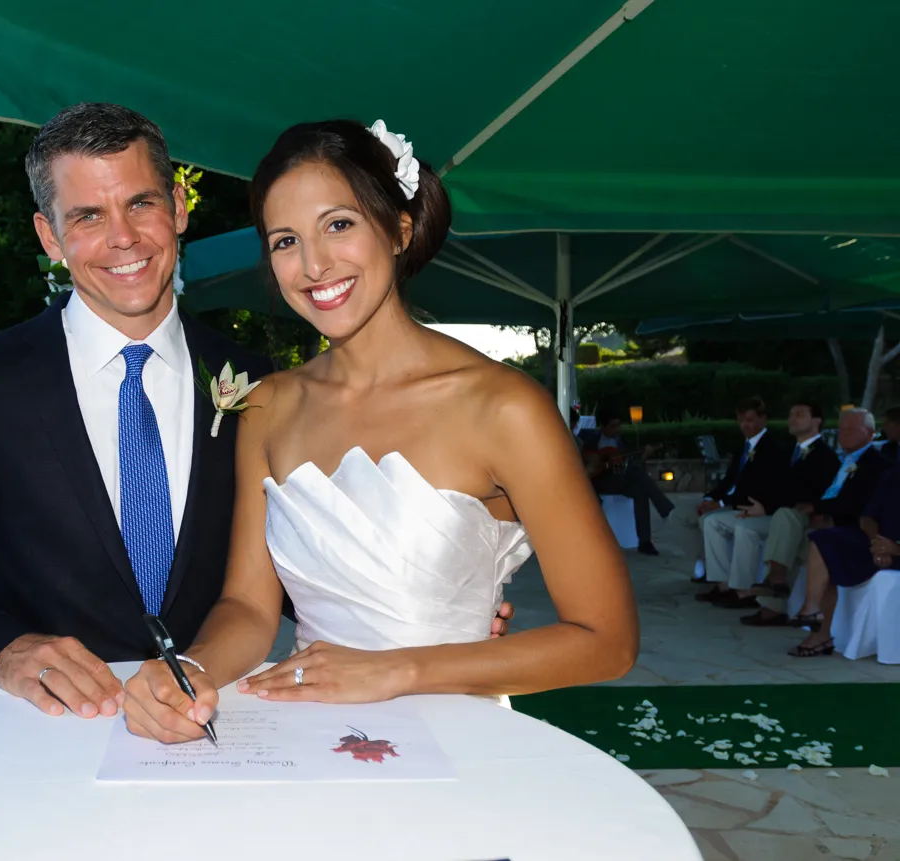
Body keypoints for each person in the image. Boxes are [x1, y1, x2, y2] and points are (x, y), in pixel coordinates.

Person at [0, 104, 512, 720]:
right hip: (46, 733)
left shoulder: (260, 385)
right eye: (88, 215)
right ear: (50, 236)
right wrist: (5, 651)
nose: (122, 237)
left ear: (178, 207)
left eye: (141, 203)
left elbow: (287, 560)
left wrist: (427, 589)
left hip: (227, 720)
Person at [122, 119, 638, 744]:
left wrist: (397, 670)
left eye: (338, 224)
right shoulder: (267, 406)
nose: (313, 265)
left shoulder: (504, 409)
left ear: (398, 228)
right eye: (285, 240)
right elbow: (251, 608)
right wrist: (194, 670)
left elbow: (608, 642)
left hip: (456, 738)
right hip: (310, 731)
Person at [744, 409, 892, 625]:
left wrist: (819, 508)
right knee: (786, 520)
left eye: (851, 430)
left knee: (792, 528)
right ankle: (775, 589)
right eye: (842, 430)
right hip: (825, 519)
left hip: (849, 527)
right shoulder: (841, 459)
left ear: (870, 433)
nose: (844, 434)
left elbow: (859, 504)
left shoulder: (877, 465)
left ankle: (776, 589)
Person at [673, 397, 789, 606]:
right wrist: (710, 497)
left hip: (749, 505)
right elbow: (729, 479)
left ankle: (732, 585)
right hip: (731, 501)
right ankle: (713, 571)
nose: (745, 425)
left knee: (710, 521)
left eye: (750, 420)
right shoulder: (743, 446)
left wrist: (721, 503)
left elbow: (756, 488)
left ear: (763, 419)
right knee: (681, 515)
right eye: (741, 420)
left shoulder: (773, 448)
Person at [720, 402, 839, 606]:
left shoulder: (825, 456)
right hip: (778, 512)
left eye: (799, 415)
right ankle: (741, 589)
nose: (791, 419)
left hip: (802, 516)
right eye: (790, 415)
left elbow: (811, 494)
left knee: (783, 517)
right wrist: (760, 505)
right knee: (745, 527)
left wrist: (767, 507)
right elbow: (772, 486)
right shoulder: (787, 453)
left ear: (817, 421)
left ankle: (775, 581)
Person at [785, 465, 900, 657]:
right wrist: (876, 543)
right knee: (825, 540)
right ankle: (814, 615)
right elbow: (867, 517)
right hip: (878, 544)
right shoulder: (893, 475)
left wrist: (895, 548)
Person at [576, 411, 675, 555]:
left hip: (619, 478)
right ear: (602, 426)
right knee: (640, 476)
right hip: (597, 481)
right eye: (612, 426)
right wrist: (595, 460)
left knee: (641, 489)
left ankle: (644, 542)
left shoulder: (621, 441)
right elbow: (580, 455)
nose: (617, 429)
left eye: (618, 425)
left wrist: (644, 456)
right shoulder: (588, 437)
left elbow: (631, 464)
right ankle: (667, 510)